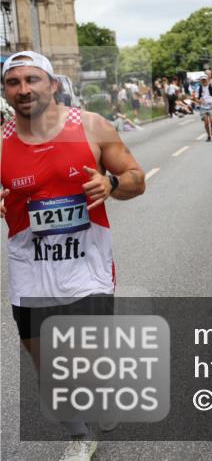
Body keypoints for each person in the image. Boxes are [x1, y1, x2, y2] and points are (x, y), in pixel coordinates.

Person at [1, 51, 146, 460]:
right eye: (14, 82)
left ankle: (85, 427)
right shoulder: (2, 141)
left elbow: (137, 179)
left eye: (32, 79)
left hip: (87, 264)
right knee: (44, 359)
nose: (24, 89)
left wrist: (111, 182)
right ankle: (81, 429)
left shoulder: (92, 127)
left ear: (52, 84)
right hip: (30, 268)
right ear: (6, 90)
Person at [192, 75, 212, 141]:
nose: (204, 81)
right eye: (202, 80)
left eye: (205, 80)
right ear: (201, 81)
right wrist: (199, 101)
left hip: (211, 106)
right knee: (206, 122)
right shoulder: (199, 88)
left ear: (208, 80)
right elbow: (195, 98)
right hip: (203, 107)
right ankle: (209, 136)